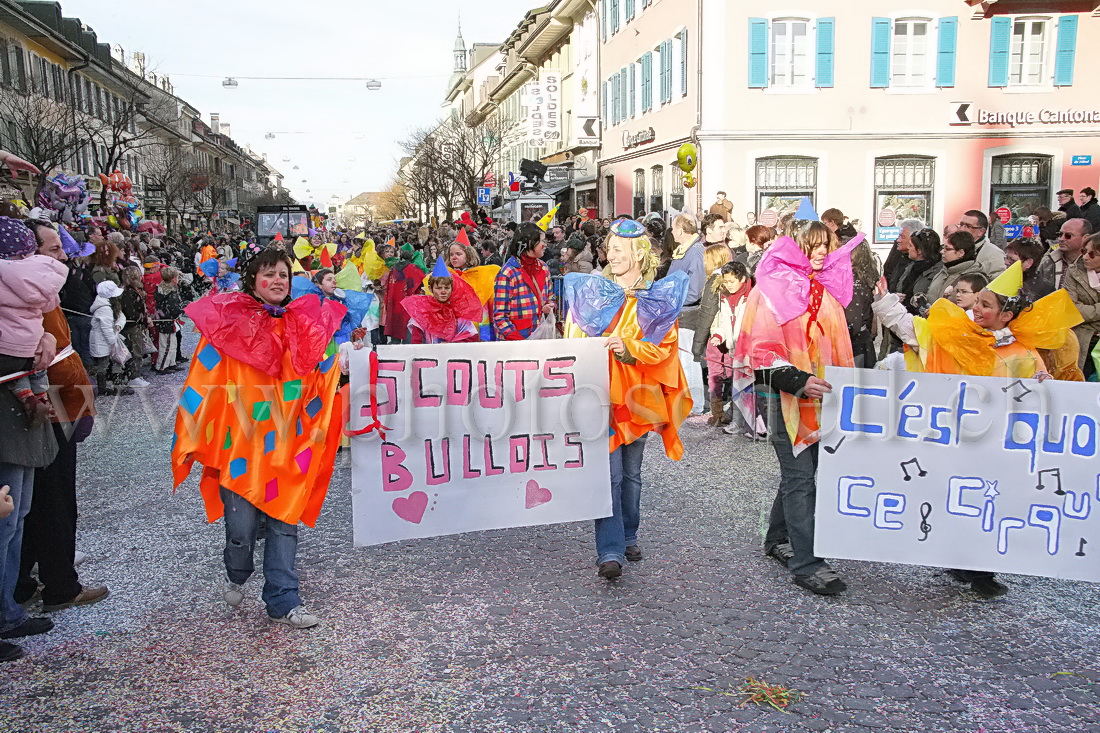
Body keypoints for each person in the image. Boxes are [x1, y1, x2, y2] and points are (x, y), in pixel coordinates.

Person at [171, 247, 347, 629]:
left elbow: (323, 366)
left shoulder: (304, 322)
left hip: (288, 441)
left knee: (284, 520)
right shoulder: (228, 324)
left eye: (283, 274)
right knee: (241, 531)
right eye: (269, 274)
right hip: (242, 444)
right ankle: (236, 570)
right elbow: (205, 378)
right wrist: (198, 431)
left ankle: (283, 599)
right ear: (253, 280)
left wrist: (342, 366)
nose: (278, 280)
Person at [733, 219, 862, 596]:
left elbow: (838, 345)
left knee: (801, 475)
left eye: (827, 244)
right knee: (801, 477)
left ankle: (777, 538)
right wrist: (798, 380)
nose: (822, 252)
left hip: (821, 397)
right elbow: (759, 353)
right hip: (783, 399)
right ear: (797, 246)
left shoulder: (827, 288)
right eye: (814, 245)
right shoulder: (770, 290)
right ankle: (807, 562)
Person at [562, 219, 692, 579]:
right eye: (610, 248)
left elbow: (664, 348)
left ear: (638, 253)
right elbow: (572, 334)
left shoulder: (658, 297)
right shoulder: (593, 292)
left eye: (618, 249)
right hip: (601, 392)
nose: (611, 255)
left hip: (640, 397)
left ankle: (629, 533)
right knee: (611, 475)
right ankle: (610, 550)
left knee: (632, 474)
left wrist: (629, 348)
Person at [14, 220, 106, 616]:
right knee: (53, 500)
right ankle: (58, 584)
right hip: (47, 406)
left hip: (64, 399)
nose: (64, 256)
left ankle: (28, 580)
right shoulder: (24, 294)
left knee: (43, 499)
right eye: (53, 250)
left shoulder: (40, 291)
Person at [0, 303, 58, 661]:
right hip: (6, 425)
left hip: (20, 422)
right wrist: (30, 351)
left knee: (16, 519)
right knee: (5, 524)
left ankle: (8, 609)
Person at [0, 217, 67, 424]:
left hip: (6, 347)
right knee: (34, 371)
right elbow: (48, 304)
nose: (63, 256)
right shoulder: (34, 278)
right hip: (32, 346)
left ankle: (29, 397)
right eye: (55, 249)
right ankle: (40, 397)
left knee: (16, 373)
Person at [666, 214, 706, 410]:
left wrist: (675, 302)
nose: (672, 232)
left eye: (674, 228)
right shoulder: (685, 250)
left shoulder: (696, 252)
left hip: (687, 312)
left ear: (681, 230)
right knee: (682, 360)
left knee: (690, 360)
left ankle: (695, 404)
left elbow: (695, 288)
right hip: (678, 311)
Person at [492, 223, 554, 341]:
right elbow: (500, 316)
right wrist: (519, 343)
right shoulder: (508, 273)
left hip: (539, 339)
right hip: (514, 345)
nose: (544, 245)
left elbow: (551, 297)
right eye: (541, 241)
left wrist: (550, 305)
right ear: (529, 242)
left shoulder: (544, 268)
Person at [692, 244, 733, 424]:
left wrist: (697, 345)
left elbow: (707, 315)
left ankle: (718, 414)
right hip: (732, 334)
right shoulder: (734, 280)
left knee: (715, 374)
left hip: (715, 335)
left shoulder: (714, 282)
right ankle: (732, 410)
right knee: (731, 372)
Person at [403, 257, 482, 344]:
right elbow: (417, 341)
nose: (443, 291)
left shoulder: (458, 311)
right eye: (439, 288)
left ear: (452, 289)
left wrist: (450, 345)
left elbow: (471, 337)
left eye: (447, 288)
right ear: (430, 289)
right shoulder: (423, 312)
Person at [1064, 233, 1100, 376]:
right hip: (1082, 339)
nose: (1085, 257)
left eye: (1092, 254)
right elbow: (1071, 309)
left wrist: (1087, 312)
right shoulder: (1073, 272)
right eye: (1084, 251)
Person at [844, 238, 881, 368]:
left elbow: (853, 321)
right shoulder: (863, 277)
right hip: (862, 340)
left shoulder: (855, 282)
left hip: (854, 345)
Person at [925, 231, 986, 303]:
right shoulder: (943, 271)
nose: (941, 251)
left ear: (961, 253)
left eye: (947, 249)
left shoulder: (974, 278)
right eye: (943, 247)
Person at [1038, 218, 1091, 290]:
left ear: (1085, 238)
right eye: (1060, 234)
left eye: (1068, 236)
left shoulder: (1093, 263)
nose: (1061, 239)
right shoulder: (1048, 261)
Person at [957, 210, 1006, 277]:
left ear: (981, 232)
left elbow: (998, 282)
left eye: (968, 226)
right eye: (961, 224)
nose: (962, 229)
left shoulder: (995, 255)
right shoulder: (952, 249)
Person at [1004, 237, 1054, 302]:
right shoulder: (1004, 280)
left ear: (1029, 263)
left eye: (1012, 260)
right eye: (1006, 258)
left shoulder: (1044, 289)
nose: (1006, 262)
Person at [153, 267, 183, 374]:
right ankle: (161, 366)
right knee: (167, 345)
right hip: (168, 321)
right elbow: (174, 309)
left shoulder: (160, 288)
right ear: (174, 279)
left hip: (163, 320)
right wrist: (181, 310)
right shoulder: (171, 292)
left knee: (171, 343)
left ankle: (171, 363)